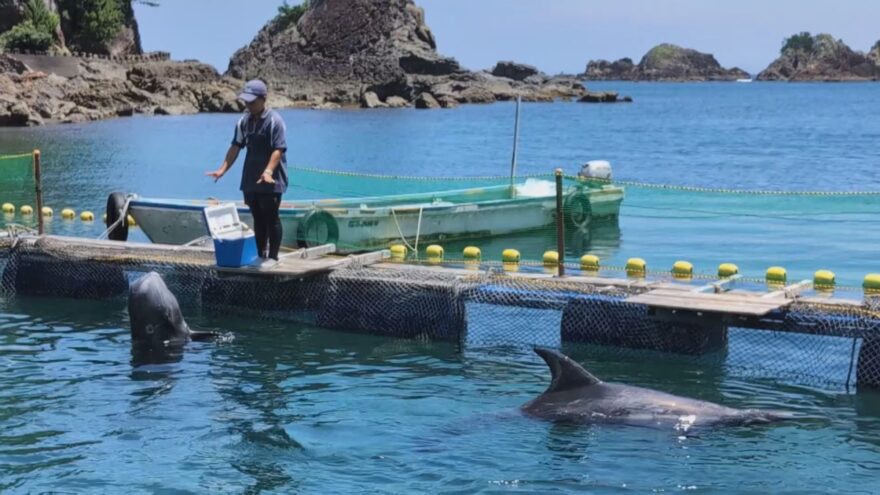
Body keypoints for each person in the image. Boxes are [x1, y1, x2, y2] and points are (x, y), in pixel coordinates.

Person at [207, 79, 289, 261]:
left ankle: (274, 258)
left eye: (252, 101)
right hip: (251, 178)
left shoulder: (275, 121)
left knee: (271, 217)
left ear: (264, 99)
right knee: (258, 218)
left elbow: (279, 149)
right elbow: (236, 146)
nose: (248, 105)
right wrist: (222, 170)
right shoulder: (243, 122)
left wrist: (268, 171)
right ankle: (261, 255)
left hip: (271, 179)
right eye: (246, 101)